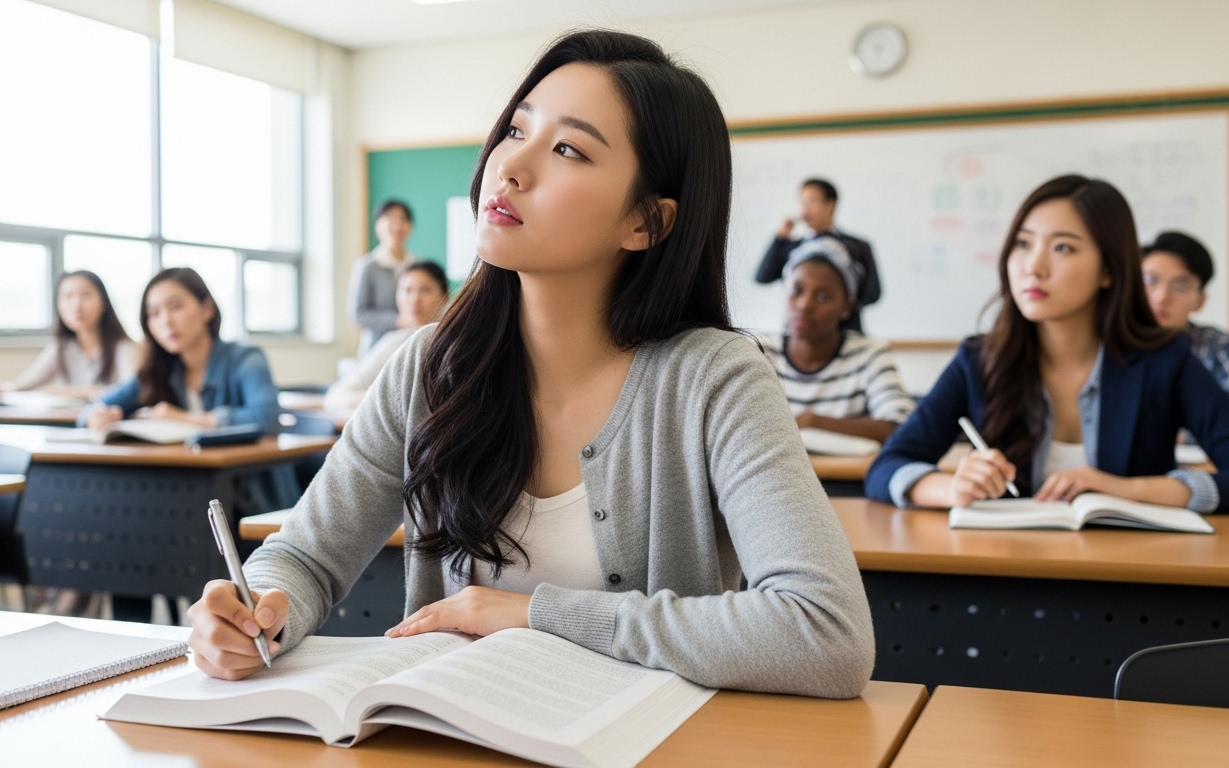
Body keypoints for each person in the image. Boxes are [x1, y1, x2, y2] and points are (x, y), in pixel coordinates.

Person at [188, 30, 874, 698]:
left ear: (647, 223)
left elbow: (826, 632)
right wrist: (260, 609)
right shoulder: (429, 365)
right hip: (448, 741)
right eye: (516, 131)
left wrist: (536, 614)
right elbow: (305, 557)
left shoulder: (713, 378)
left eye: (569, 148)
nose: (509, 167)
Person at [867, 175, 1229, 512]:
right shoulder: (980, 359)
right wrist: (949, 488)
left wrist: (1130, 491)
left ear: (1108, 270)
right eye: (1023, 244)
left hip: (1132, 582)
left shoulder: (1165, 361)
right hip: (1001, 579)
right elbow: (888, 467)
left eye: (1062, 248)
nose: (1033, 267)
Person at [86, 267, 298, 513]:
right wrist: (98, 416)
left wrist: (185, 419)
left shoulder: (245, 358)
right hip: (188, 496)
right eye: (153, 313)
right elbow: (95, 408)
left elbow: (268, 418)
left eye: (175, 307)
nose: (165, 321)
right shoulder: (159, 370)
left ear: (206, 308)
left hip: (251, 500)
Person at [759, 236, 915, 443]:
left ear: (846, 307)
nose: (804, 306)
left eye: (823, 297)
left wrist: (812, 422)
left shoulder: (869, 354)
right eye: (796, 291)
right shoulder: (760, 353)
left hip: (845, 475)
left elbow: (901, 426)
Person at [1141, 231, 1229, 432]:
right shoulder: (1105, 344)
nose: (1161, 297)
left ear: (1200, 301)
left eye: (1180, 286)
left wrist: (1166, 434)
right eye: (1149, 281)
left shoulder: (1221, 347)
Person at [754, 178, 881, 332]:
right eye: (802, 202)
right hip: (799, 337)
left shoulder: (858, 247)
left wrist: (836, 308)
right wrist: (780, 239)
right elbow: (762, 277)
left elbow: (873, 293)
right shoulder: (792, 247)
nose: (804, 210)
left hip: (845, 334)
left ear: (831, 205)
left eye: (812, 202)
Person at [324, 261, 449, 413]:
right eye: (407, 290)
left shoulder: (454, 342)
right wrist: (372, 399)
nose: (414, 299)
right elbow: (336, 396)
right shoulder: (396, 342)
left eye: (425, 290)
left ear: (445, 296)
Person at [0, 270, 138, 398]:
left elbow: (131, 391)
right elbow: (25, 383)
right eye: (67, 296)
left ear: (104, 302)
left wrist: (61, 391)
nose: (76, 304)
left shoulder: (122, 347)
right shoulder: (61, 347)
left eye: (86, 295)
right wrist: (1, 389)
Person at [349, 199, 418, 352]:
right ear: (378, 225)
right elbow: (358, 314)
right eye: (390, 218)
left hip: (410, 347)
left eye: (403, 219)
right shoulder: (367, 266)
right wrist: (398, 321)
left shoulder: (417, 266)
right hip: (376, 349)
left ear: (410, 226)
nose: (397, 225)